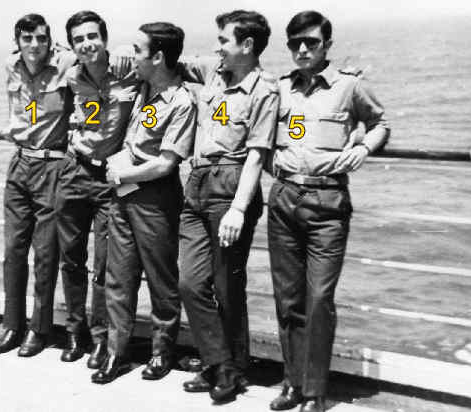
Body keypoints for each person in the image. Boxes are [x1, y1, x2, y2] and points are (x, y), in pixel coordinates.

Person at [267, 11, 390, 412]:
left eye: (311, 42)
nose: (302, 50)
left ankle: (315, 391)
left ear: (327, 46)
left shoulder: (349, 86)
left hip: (328, 202)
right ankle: (292, 383)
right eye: (295, 43)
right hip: (284, 198)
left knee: (319, 298)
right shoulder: (280, 88)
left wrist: (364, 147)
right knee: (288, 299)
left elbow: (380, 123)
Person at [177, 10, 279, 403]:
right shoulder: (212, 72)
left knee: (226, 285)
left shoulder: (263, 90)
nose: (217, 46)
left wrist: (238, 209)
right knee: (190, 282)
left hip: (231, 186)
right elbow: (171, 59)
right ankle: (221, 363)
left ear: (247, 45)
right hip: (197, 182)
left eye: (224, 40)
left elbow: (256, 155)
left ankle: (228, 369)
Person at [90, 22, 197, 384]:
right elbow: (106, 62)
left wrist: (122, 174)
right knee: (118, 278)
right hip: (124, 196)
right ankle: (116, 353)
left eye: (139, 50)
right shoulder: (142, 87)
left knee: (160, 280)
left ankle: (162, 351)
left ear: (159, 57)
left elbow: (166, 163)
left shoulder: (181, 102)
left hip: (155, 199)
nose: (132, 55)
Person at [0, 14, 76, 357]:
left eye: (41, 38)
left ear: (50, 40)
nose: (34, 45)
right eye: (27, 39)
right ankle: (12, 326)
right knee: (13, 250)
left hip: (52, 165)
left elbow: (101, 67)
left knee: (45, 254)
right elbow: (23, 110)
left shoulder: (66, 62)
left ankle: (39, 330)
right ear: (18, 42)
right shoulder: (11, 66)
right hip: (20, 163)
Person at [55, 10, 136, 369]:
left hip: (109, 179)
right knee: (71, 257)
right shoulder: (72, 76)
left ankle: (101, 339)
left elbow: (163, 63)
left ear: (104, 38)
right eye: (79, 39)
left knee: (105, 265)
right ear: (71, 46)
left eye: (92, 36)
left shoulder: (128, 69)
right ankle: (76, 332)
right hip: (75, 171)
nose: (86, 44)